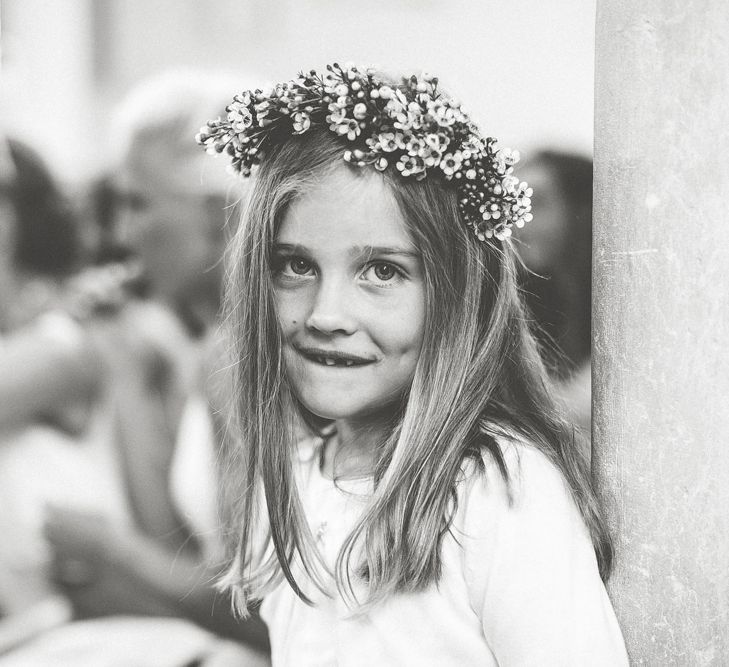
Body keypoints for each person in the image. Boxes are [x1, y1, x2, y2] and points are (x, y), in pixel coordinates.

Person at [197, 64, 629, 665]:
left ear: (457, 294)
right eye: (295, 266)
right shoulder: (298, 472)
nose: (326, 314)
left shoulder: (498, 491)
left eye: (382, 271)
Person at [516, 150, 593, 436]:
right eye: (513, 205)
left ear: (580, 210)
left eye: (537, 203)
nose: (518, 222)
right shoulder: (522, 302)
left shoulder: (624, 302)